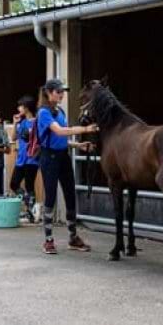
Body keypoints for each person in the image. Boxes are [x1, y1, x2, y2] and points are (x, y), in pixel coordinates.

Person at [37, 78, 98, 255]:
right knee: (50, 198)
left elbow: (61, 138)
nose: (62, 94)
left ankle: (73, 237)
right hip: (49, 157)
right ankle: (48, 240)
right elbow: (59, 131)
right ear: (49, 93)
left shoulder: (60, 111)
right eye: (58, 91)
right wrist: (85, 130)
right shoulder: (44, 112)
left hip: (63, 155)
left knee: (70, 195)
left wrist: (78, 145)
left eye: (62, 91)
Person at [10, 95, 40, 222]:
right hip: (21, 158)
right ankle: (30, 204)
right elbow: (13, 138)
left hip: (32, 159)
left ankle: (31, 213)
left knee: (29, 185)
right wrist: (15, 123)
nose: (18, 108)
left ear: (26, 108)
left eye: (20, 106)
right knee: (14, 184)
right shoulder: (21, 122)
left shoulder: (37, 122)